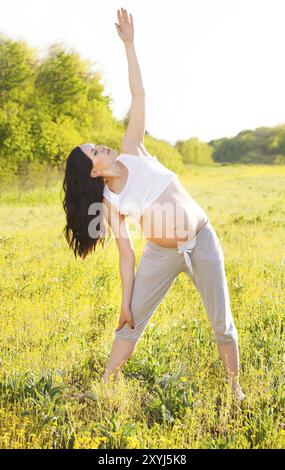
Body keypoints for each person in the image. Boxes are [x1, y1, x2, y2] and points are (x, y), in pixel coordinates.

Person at [62, 8, 245, 401]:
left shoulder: (132, 150)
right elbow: (125, 254)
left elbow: (138, 95)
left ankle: (236, 391)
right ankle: (104, 386)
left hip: (201, 240)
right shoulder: (110, 202)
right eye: (94, 151)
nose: (102, 146)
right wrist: (125, 302)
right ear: (93, 173)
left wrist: (129, 45)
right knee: (129, 324)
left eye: (96, 144)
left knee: (222, 323)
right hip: (160, 255)